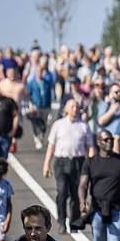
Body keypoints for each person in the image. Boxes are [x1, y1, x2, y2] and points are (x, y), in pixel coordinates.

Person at [41, 100, 94, 233]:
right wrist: (46, 164)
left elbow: (90, 147)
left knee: (76, 195)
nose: (75, 109)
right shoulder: (58, 125)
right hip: (61, 162)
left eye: (77, 106)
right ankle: (62, 221)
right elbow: (51, 146)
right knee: (62, 191)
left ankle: (74, 222)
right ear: (66, 109)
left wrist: (92, 164)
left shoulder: (84, 126)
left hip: (79, 162)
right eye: (72, 106)